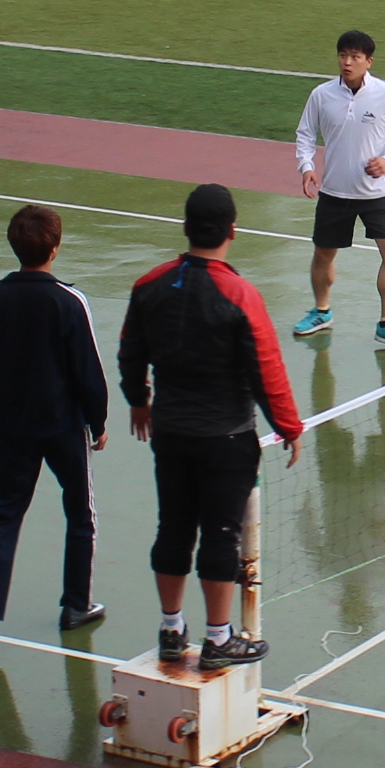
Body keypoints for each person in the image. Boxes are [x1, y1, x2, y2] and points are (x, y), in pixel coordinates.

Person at [117, 184, 305, 667]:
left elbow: (130, 350)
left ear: (186, 228)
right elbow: (266, 369)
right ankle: (219, 640)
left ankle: (171, 629)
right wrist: (288, 427)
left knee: (173, 529)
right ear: (232, 231)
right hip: (227, 438)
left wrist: (139, 400)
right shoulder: (240, 294)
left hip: (170, 433)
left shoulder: (149, 285)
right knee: (221, 534)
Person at [0, 203, 112, 648]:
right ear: (55, 249)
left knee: (3, 513)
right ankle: (75, 605)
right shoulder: (69, 301)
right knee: (80, 512)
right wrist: (98, 421)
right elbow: (87, 368)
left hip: (13, 429)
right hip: (64, 427)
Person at [292, 29, 385, 351]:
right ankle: (321, 312)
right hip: (334, 191)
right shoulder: (321, 95)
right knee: (324, 253)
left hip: (376, 193)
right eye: (342, 56)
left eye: (354, 57)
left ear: (368, 61)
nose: (347, 62)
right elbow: (305, 133)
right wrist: (306, 166)